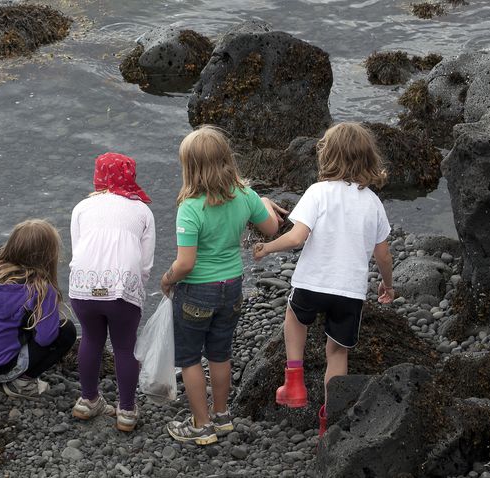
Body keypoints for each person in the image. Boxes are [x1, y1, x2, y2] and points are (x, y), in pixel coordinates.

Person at [253, 122, 394, 436]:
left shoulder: (317, 192)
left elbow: (296, 237)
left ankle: (294, 383)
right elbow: (383, 254)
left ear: (327, 156)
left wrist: (266, 248)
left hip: (312, 284)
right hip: (350, 292)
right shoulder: (373, 202)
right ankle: (329, 420)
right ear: (368, 159)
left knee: (294, 318)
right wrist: (388, 284)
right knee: (337, 353)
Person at [161, 125, 286, 445]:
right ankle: (221, 415)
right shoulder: (245, 195)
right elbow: (272, 228)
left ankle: (201, 426)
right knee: (220, 353)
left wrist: (168, 278)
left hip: (196, 291)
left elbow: (186, 263)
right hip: (231, 287)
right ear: (228, 159)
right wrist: (265, 202)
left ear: (190, 168)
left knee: (189, 358)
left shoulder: (190, 208)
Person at [69, 152, 155, 432]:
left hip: (82, 285)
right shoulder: (142, 211)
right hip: (121, 288)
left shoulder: (82, 207)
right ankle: (127, 411)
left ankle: (87, 400)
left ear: (99, 176)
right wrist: (135, 290)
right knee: (124, 346)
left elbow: (77, 250)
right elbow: (145, 265)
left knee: (91, 338)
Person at [0, 219, 77, 399]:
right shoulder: (41, 289)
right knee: (67, 330)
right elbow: (46, 339)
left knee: (16, 322)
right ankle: (22, 383)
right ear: (49, 255)